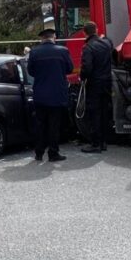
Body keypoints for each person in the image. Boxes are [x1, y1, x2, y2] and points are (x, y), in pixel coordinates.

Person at [26, 27, 73, 162]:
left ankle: (39, 153)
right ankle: (53, 153)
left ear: (42, 38)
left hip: (40, 94)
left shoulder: (34, 52)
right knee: (54, 125)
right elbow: (69, 69)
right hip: (57, 94)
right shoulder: (62, 51)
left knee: (40, 124)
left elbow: (31, 72)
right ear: (54, 37)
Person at [79, 22, 114, 153]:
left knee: (94, 113)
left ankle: (95, 143)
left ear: (84, 33)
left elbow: (87, 68)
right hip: (107, 82)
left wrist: (82, 77)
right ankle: (104, 142)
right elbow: (110, 43)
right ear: (97, 30)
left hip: (94, 84)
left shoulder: (88, 47)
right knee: (105, 112)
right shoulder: (106, 44)